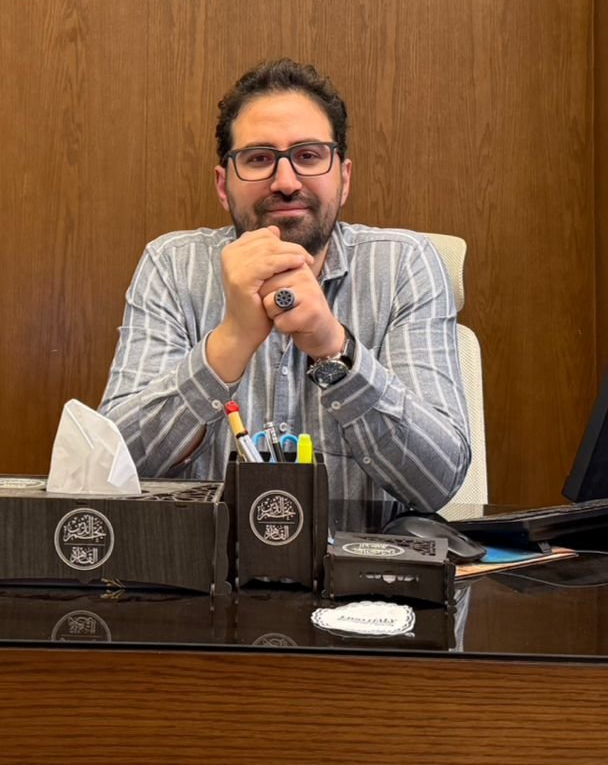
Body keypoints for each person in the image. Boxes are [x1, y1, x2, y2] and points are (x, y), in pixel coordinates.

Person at [100, 59, 471, 525]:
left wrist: (335, 349)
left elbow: (436, 482)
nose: (286, 182)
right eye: (258, 159)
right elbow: (113, 470)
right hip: (209, 565)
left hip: (357, 566)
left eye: (309, 156)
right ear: (223, 185)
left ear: (344, 178)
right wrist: (230, 342)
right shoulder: (172, 267)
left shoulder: (404, 266)